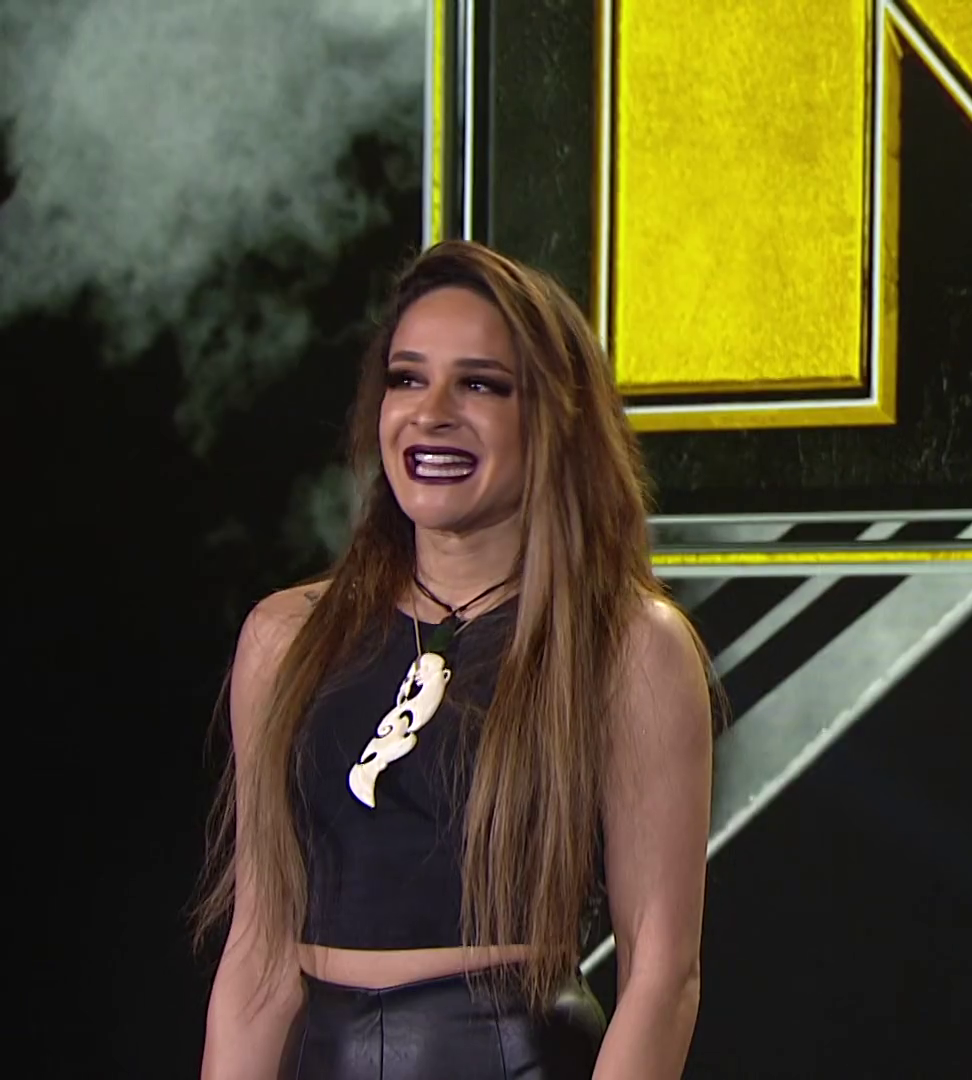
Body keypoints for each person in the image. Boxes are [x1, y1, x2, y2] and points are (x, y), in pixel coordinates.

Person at [193, 240, 716, 1079]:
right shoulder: (285, 637)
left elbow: (662, 975)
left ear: (554, 416)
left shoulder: (627, 646)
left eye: (479, 384)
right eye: (407, 378)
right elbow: (258, 958)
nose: (430, 412)